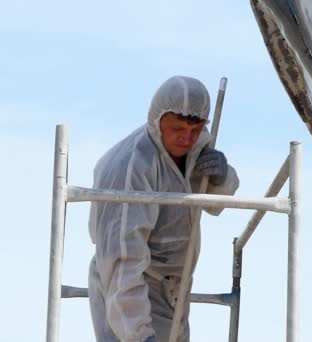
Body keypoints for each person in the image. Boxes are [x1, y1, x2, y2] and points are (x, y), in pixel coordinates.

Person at [87, 75, 239, 342]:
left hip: (175, 290)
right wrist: (139, 335)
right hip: (131, 290)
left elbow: (215, 204)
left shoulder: (196, 146)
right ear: (157, 121)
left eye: (196, 129)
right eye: (178, 128)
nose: (187, 138)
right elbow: (123, 259)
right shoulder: (131, 168)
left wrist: (222, 176)